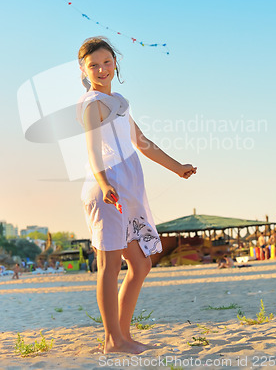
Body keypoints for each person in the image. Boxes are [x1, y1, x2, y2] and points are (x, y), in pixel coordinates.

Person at [77, 37, 197, 354]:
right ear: (84, 69)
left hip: (128, 191)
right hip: (107, 192)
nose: (101, 70)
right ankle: (113, 341)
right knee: (109, 267)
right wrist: (104, 184)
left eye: (106, 62)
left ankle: (123, 335)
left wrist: (177, 167)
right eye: (94, 65)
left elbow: (141, 141)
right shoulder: (91, 104)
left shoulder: (119, 101)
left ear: (115, 63)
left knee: (140, 266)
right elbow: (92, 150)